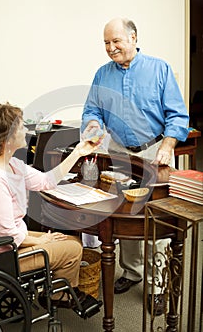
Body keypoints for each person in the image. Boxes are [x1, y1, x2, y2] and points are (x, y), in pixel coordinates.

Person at [81, 17, 189, 315]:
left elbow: (178, 116)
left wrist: (168, 146)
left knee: (156, 218)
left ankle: (157, 284)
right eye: (106, 42)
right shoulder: (102, 74)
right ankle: (132, 271)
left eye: (116, 41)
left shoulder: (159, 69)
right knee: (125, 214)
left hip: (154, 150)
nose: (111, 47)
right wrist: (92, 123)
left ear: (133, 37)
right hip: (117, 152)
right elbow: (92, 109)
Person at [0, 102, 101, 308]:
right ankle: (58, 296)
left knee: (71, 241)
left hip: (10, 244)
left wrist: (77, 152)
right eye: (21, 127)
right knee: (73, 249)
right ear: (7, 137)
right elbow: (8, 235)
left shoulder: (12, 164)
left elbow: (45, 182)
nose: (26, 130)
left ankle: (57, 291)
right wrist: (41, 242)